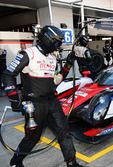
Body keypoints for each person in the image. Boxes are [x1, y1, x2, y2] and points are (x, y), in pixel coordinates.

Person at [2, 25, 84, 167]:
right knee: (33, 138)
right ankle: (15, 162)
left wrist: (69, 64)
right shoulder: (28, 54)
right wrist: (15, 100)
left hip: (52, 102)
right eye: (57, 41)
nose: (59, 45)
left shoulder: (52, 58)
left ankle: (72, 163)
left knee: (64, 132)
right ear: (48, 39)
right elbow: (8, 75)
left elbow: (55, 81)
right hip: (34, 104)